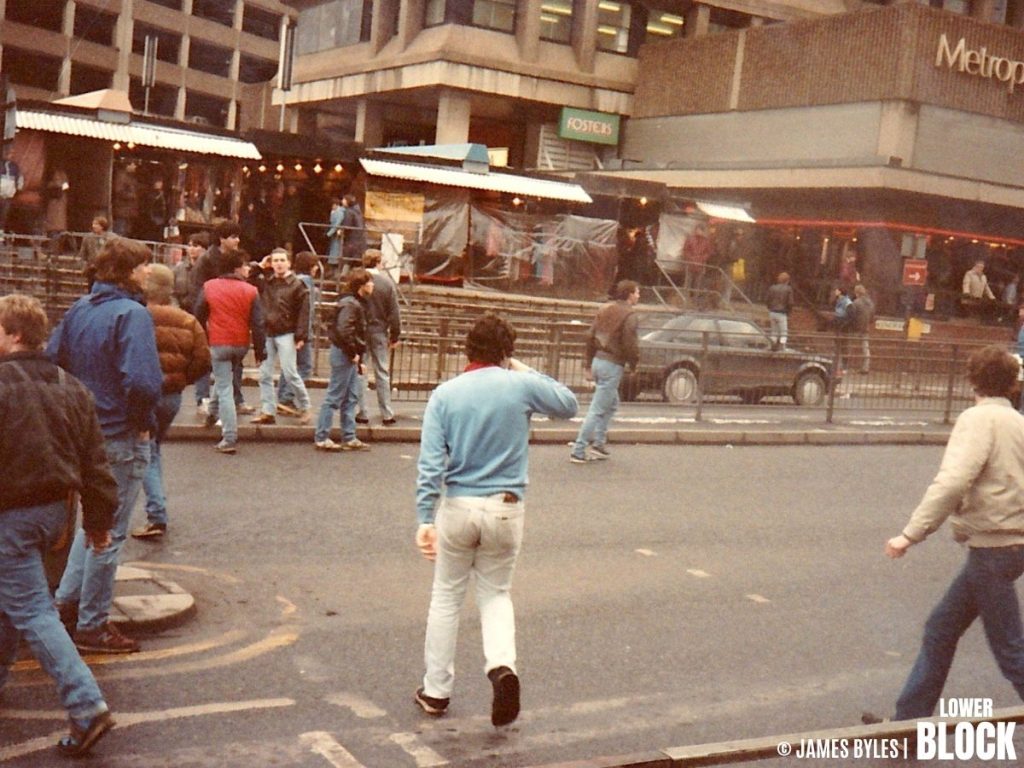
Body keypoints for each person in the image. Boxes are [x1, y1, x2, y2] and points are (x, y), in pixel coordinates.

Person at [413, 313, 578, 726]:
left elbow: (431, 464)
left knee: (446, 597)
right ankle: (502, 667)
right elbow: (568, 404)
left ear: (468, 349)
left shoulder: (444, 395)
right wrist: (519, 366)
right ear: (506, 351)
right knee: (496, 594)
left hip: (458, 507)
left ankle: (436, 691)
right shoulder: (519, 385)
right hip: (506, 507)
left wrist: (425, 518)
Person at [864, 346, 1024, 724]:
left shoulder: (977, 420)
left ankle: (907, 726)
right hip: (1010, 546)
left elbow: (952, 482)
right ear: (1012, 384)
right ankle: (908, 725)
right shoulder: (1018, 422)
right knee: (941, 628)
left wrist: (910, 535)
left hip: (993, 547)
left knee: (1011, 652)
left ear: (972, 381)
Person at [0, 294, 120, 757]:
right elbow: (95, 462)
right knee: (12, 600)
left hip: (11, 516)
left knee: (32, 609)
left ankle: (87, 707)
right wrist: (99, 523)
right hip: (55, 516)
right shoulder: (70, 386)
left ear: (14, 334)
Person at [47, 238, 163, 654]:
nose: (148, 272)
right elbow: (144, 383)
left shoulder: (80, 308)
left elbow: (52, 360)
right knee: (108, 533)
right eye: (144, 265)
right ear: (128, 272)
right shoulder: (133, 314)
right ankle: (92, 625)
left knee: (92, 525)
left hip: (82, 433)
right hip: (119, 434)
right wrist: (141, 424)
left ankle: (65, 605)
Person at [134, 264, 211, 539]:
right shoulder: (188, 321)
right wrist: (181, 379)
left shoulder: (137, 316)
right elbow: (202, 360)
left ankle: (156, 513)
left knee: (144, 450)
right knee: (152, 448)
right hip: (171, 396)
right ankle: (156, 511)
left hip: (143, 394)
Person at [194, 249, 266, 454]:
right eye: (245, 266)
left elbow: (198, 314)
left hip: (218, 341)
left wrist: (202, 339)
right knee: (224, 380)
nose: (247, 269)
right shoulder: (251, 291)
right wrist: (260, 351)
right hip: (240, 343)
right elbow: (258, 324)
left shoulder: (209, 286)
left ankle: (229, 436)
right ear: (236, 268)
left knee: (224, 385)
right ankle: (212, 414)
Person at [570, 279, 639, 463]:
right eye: (637, 292)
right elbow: (630, 343)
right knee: (597, 409)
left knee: (612, 403)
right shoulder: (630, 315)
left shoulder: (605, 309)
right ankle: (579, 449)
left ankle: (599, 444)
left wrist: (588, 364)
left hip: (598, 361)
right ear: (630, 294)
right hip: (613, 364)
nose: (639, 296)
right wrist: (633, 364)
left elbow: (590, 336)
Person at [191, 221, 253, 416]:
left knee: (235, 362)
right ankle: (203, 398)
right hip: (212, 316)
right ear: (222, 239)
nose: (238, 240)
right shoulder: (207, 260)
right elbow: (198, 291)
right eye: (233, 237)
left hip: (230, 316)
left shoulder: (234, 257)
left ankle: (236, 398)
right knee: (206, 359)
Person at [251, 248, 313, 425]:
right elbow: (250, 279)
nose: (278, 264)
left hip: (287, 333)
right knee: (264, 374)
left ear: (289, 263)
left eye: (282, 260)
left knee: (290, 372)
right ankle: (267, 410)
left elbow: (304, 312)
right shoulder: (267, 282)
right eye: (275, 260)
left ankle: (306, 406)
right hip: (268, 332)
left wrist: (301, 336)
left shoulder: (297, 285)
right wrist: (260, 266)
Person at [314, 268, 373, 452]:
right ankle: (322, 436)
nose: (373, 285)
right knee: (335, 396)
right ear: (361, 285)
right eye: (370, 282)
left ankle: (349, 436)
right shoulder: (351, 304)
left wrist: (357, 357)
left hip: (348, 354)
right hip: (345, 354)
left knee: (351, 396)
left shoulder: (353, 302)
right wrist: (353, 353)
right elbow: (344, 330)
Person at [354, 249, 401, 426]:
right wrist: (395, 335)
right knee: (382, 371)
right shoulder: (387, 283)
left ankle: (362, 411)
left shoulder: (357, 280)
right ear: (379, 262)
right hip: (379, 331)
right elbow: (394, 312)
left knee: (361, 371)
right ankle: (386, 413)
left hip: (360, 330)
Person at [278, 251, 320, 414]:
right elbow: (306, 311)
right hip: (301, 331)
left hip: (288, 328)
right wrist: (304, 334)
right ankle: (287, 397)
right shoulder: (307, 283)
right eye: (315, 265)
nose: (316, 269)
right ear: (311, 267)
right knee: (305, 367)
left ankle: (283, 398)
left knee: (288, 365)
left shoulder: (292, 280)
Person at [173, 230, 209, 314]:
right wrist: (176, 309)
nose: (191, 249)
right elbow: (172, 293)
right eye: (189, 246)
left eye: (195, 246)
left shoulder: (209, 270)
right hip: (180, 311)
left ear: (205, 249)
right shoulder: (179, 269)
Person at [79, 216, 116, 288]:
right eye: (93, 224)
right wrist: (84, 266)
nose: (93, 226)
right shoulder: (88, 237)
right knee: (91, 286)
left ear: (102, 226)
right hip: (92, 268)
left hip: (106, 268)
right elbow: (83, 253)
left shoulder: (112, 237)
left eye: (96, 224)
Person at [850, 284, 875, 375]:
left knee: (849, 346)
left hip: (855, 329)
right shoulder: (871, 303)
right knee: (865, 349)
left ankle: (846, 366)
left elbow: (851, 316)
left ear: (857, 293)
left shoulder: (856, 303)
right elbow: (872, 318)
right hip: (865, 329)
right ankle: (865, 367)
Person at [766, 271, 793, 351]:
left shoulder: (772, 288)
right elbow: (790, 302)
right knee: (783, 331)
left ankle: (772, 345)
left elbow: (767, 300)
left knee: (774, 331)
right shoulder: (788, 289)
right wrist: (789, 312)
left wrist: (770, 308)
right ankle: (782, 346)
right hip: (782, 312)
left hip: (772, 312)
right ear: (787, 280)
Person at [0, 150, 24, 236]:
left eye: (10, 154)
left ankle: (0, 234)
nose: (9, 155)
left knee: (4, 216)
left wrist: (19, 188)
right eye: (7, 153)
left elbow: (19, 178)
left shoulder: (14, 166)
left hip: (8, 196)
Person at [341, 194, 367, 268]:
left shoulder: (349, 212)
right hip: (360, 239)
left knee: (347, 260)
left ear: (347, 201)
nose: (342, 201)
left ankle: (344, 273)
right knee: (356, 261)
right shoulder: (358, 212)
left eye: (344, 199)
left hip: (351, 240)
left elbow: (347, 226)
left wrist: (341, 231)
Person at [326, 198, 344, 277]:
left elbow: (337, 224)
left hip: (337, 235)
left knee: (336, 252)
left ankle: (336, 273)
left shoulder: (339, 212)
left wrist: (329, 233)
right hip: (333, 235)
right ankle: (332, 271)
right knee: (333, 252)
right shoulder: (333, 212)